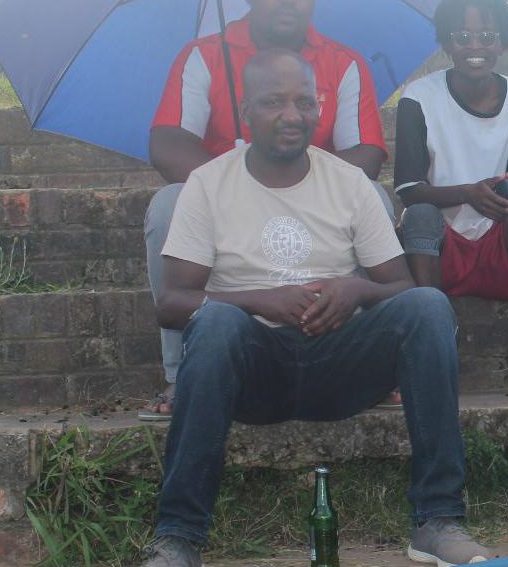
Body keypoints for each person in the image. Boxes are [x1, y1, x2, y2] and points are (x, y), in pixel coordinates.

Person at [139, 50, 487, 567]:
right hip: (251, 371)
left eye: (305, 101)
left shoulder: (348, 183)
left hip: (338, 365)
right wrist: (262, 301)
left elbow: (399, 288)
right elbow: (172, 303)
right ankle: (178, 537)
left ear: (319, 108)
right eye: (274, 102)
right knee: (214, 321)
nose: (292, 114)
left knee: (428, 306)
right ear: (245, 111)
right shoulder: (208, 185)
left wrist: (354, 290)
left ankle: (438, 520)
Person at [141, 0, 391, 420]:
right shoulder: (203, 54)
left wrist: (298, 185)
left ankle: (369, 361)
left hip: (318, 208)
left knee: (376, 196)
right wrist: (239, 185)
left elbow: (366, 153)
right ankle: (184, 370)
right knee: (170, 203)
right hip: (227, 212)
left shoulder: (342, 62)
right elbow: (167, 143)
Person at [394, 0, 508, 398]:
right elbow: (407, 187)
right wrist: (468, 193)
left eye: (487, 36)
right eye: (462, 36)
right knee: (419, 214)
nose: (474, 45)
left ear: (504, 44)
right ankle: (433, 347)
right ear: (446, 42)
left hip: (498, 237)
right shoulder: (419, 97)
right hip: (439, 245)